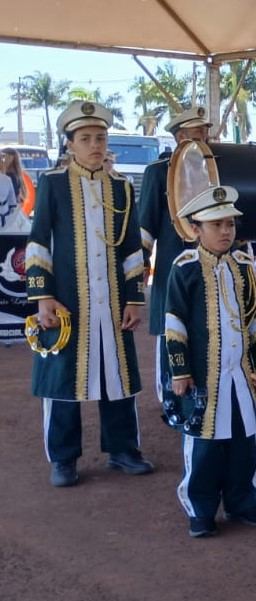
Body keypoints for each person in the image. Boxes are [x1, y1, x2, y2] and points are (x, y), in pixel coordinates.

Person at [25, 100, 154, 487]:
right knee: (63, 378)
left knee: (118, 376)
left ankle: (123, 450)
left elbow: (132, 249)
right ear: (70, 145)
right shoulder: (53, 184)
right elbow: (38, 242)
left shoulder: (121, 188)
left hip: (113, 301)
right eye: (86, 138)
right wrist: (43, 296)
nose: (95, 145)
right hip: (68, 300)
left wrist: (134, 298)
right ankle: (63, 458)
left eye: (100, 138)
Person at [166, 185, 256, 537]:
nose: (226, 231)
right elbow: (175, 323)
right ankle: (200, 510)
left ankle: (243, 502)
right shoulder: (184, 268)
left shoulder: (244, 267)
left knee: (244, 440)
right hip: (203, 376)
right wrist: (180, 371)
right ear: (195, 229)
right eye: (216, 225)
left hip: (240, 374)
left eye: (230, 224)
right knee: (204, 445)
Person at [138, 107, 214, 405]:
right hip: (172, 265)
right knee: (171, 326)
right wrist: (141, 265)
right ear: (181, 136)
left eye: (205, 131)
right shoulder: (158, 171)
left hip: (209, 265)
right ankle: (170, 398)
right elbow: (146, 225)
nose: (205, 136)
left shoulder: (214, 168)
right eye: (198, 132)